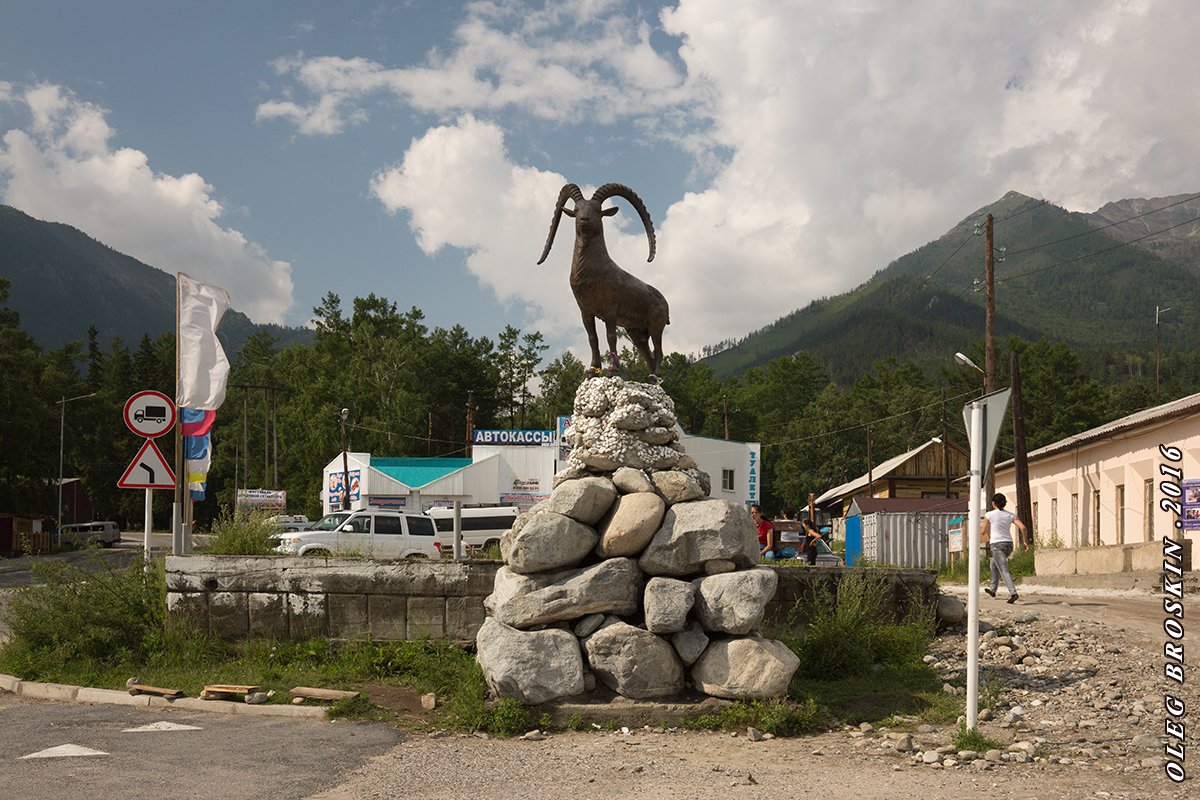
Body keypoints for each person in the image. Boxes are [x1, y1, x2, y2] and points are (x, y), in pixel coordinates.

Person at [980, 492, 1028, 603]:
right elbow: (1023, 528)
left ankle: (1013, 593)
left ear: (993, 503)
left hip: (996, 545)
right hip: (1009, 544)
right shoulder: (1011, 515)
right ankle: (993, 589)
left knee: (1003, 569)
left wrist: (988, 536)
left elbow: (982, 531)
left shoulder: (989, 515)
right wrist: (1025, 542)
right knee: (994, 564)